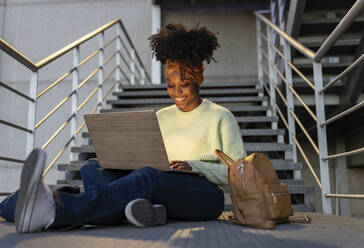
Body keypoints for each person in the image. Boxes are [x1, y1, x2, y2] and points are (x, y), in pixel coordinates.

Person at [0, 23, 246, 233]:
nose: (176, 92)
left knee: (148, 176)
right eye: (170, 85)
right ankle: (144, 212)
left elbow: (239, 175)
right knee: (93, 167)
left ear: (198, 80)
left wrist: (194, 166)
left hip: (204, 197)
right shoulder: (161, 117)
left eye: (184, 84)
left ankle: (52, 208)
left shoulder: (220, 117)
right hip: (161, 188)